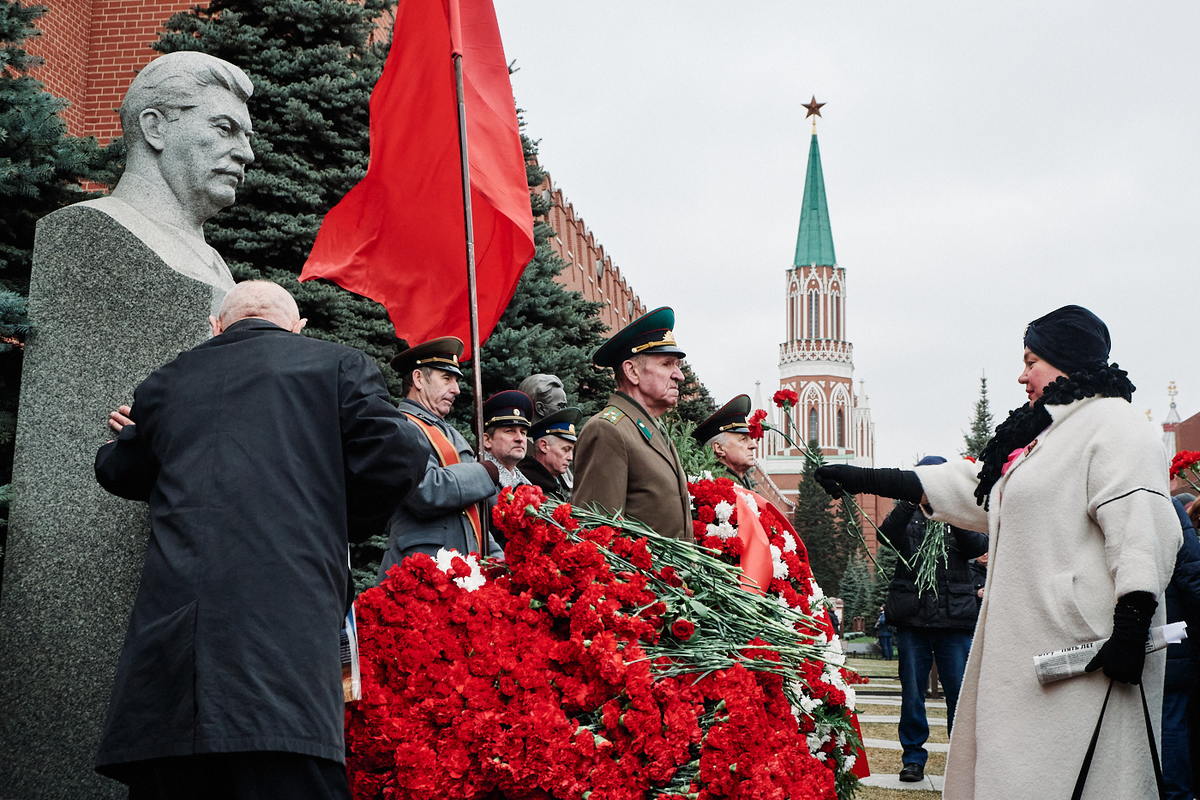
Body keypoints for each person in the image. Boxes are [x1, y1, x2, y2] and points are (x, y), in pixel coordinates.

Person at [814, 305, 1181, 799]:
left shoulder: (1118, 426)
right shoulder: (1045, 436)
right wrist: (873, 479)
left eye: (1031, 360)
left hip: (1084, 652)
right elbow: (987, 490)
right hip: (1029, 649)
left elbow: (1143, 525)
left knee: (1073, 779)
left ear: (1064, 360)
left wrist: (1133, 623)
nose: (1022, 375)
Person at [91, 281, 425, 798]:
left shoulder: (167, 382)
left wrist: (127, 436)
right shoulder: (337, 365)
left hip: (173, 682)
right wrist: (331, 517)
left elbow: (118, 472)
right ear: (297, 327)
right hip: (282, 660)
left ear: (216, 326)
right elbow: (398, 455)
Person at [876, 456, 988, 784]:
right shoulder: (907, 514)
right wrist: (911, 500)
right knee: (912, 692)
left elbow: (976, 546)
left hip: (954, 622)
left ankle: (961, 759)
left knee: (959, 693)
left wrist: (951, 508)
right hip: (913, 620)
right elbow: (885, 538)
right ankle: (913, 758)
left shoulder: (962, 511)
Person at [378, 338, 500, 579]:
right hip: (419, 577)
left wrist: (500, 562)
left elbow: (472, 514)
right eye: (446, 378)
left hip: (458, 576)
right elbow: (427, 491)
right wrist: (484, 472)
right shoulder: (398, 427)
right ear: (418, 379)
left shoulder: (449, 433)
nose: (456, 389)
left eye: (456, 380)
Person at [573, 307, 693, 541]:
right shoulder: (608, 430)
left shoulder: (651, 427)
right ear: (632, 372)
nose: (680, 375)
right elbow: (597, 539)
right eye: (667, 364)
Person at [1162, 495, 1200, 800]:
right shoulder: (1167, 506)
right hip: (1171, 639)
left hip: (1123, 634)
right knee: (1172, 721)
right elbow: (1192, 575)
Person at [692, 394, 758, 489]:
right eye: (743, 439)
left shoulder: (734, 481)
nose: (754, 445)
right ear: (719, 448)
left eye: (750, 439)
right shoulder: (715, 488)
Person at [518, 407, 582, 500]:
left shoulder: (556, 483)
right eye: (565, 449)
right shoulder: (526, 485)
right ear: (544, 446)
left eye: (571, 451)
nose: (570, 458)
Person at [479, 390, 533, 489]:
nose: (520, 438)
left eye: (523, 432)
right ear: (487, 440)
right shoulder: (479, 481)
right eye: (510, 431)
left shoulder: (526, 484)